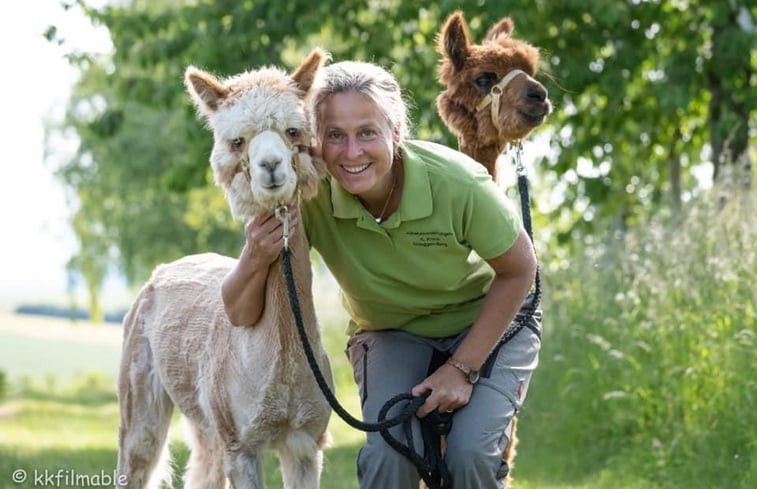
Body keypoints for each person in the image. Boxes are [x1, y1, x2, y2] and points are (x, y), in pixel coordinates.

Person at [221, 60, 542, 488]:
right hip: (391, 331)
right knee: (390, 452)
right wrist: (254, 256)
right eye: (335, 136)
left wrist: (463, 368)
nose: (351, 153)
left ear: (396, 131)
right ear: (316, 142)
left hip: (489, 321)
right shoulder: (309, 195)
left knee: (469, 455)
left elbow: (521, 272)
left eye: (367, 133)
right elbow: (241, 313)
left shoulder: (459, 184)